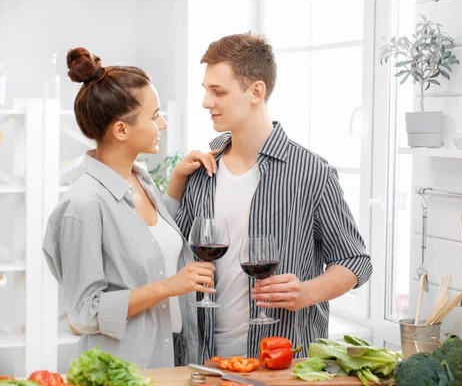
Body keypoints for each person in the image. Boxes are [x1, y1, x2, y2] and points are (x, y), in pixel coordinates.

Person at [168, 33, 373, 360]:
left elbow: (355, 262)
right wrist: (176, 180)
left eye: (218, 91)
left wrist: (306, 293)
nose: (207, 102)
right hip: (202, 362)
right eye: (206, 91)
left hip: (282, 364)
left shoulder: (310, 172)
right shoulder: (200, 171)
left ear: (256, 91)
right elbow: (170, 258)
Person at [42, 47, 217, 368]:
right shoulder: (82, 206)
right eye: (154, 116)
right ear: (121, 130)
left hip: (167, 360)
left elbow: (147, 238)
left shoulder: (141, 178)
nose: (162, 124)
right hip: (118, 370)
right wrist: (169, 286)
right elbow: (83, 313)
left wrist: (177, 179)